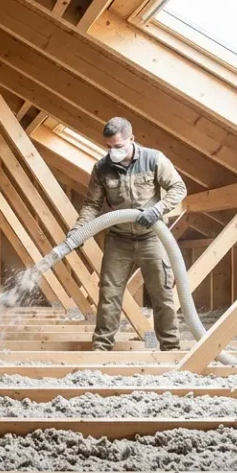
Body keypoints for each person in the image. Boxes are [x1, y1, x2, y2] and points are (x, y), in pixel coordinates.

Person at [69, 117, 187, 351]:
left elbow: (178, 188)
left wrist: (157, 210)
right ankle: (101, 348)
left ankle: (170, 349)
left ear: (132, 139)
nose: (113, 151)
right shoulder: (102, 168)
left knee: (162, 294)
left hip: (152, 236)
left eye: (118, 146)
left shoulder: (153, 159)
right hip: (118, 240)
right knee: (109, 295)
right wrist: (78, 231)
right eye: (108, 147)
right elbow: (92, 205)